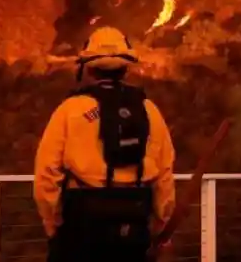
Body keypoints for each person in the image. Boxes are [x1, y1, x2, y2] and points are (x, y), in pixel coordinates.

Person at [34, 27, 177, 262]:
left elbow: (46, 173)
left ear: (88, 67)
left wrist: (53, 225)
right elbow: (164, 173)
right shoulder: (148, 109)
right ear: (126, 67)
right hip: (134, 225)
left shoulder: (70, 110)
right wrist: (161, 224)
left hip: (81, 227)